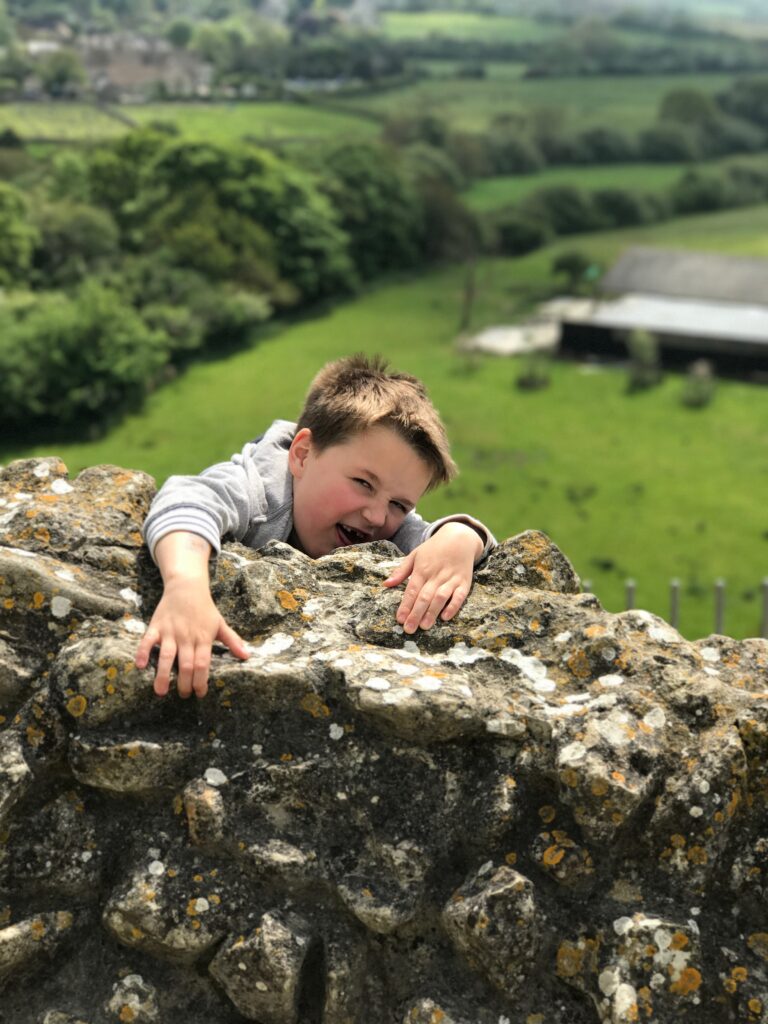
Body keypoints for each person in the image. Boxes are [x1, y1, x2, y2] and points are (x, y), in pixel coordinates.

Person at [135, 355, 495, 699]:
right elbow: (189, 500)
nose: (376, 516)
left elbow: (435, 540)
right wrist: (186, 586)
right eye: (363, 483)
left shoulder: (387, 528)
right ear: (302, 455)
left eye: (398, 504)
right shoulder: (259, 489)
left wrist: (463, 537)